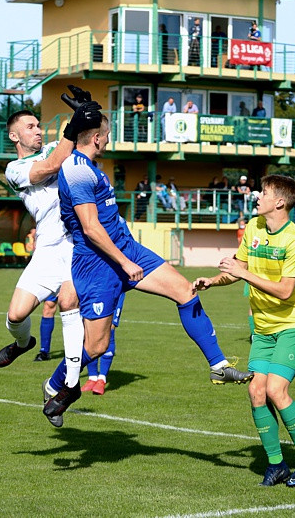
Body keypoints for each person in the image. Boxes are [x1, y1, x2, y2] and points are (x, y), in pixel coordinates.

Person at [43, 112, 251, 426]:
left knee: (185, 290)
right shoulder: (75, 170)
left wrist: (86, 106)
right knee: (96, 345)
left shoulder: (86, 166)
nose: (108, 139)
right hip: (98, 263)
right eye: (107, 133)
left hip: (126, 249)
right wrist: (125, 264)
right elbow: (90, 228)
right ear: (98, 137)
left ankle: (218, 365)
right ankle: (54, 384)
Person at [193, 175, 295, 487]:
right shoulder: (253, 227)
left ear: (279, 202)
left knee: (276, 390)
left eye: (263, 192)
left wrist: (242, 272)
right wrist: (212, 280)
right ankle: (276, 465)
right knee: (255, 391)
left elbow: (285, 292)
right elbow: (238, 268)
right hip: (264, 328)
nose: (257, 196)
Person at [0, 87, 103, 417]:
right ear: (14, 135)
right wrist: (73, 124)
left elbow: (88, 138)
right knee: (15, 316)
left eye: (39, 126)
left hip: (75, 246)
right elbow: (50, 167)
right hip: (46, 251)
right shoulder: (14, 168)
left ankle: (68, 385)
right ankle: (24, 343)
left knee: (69, 302)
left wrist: (90, 110)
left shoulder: (59, 145)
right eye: (30, 127)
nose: (38, 130)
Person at [82, 293, 125, 395]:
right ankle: (92, 378)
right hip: (94, 293)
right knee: (89, 333)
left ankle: (102, 379)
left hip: (115, 294)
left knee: (110, 330)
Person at [34, 295, 58, 362]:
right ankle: (44, 352)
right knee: (49, 306)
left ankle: (83, 350)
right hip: (54, 284)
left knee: (74, 306)